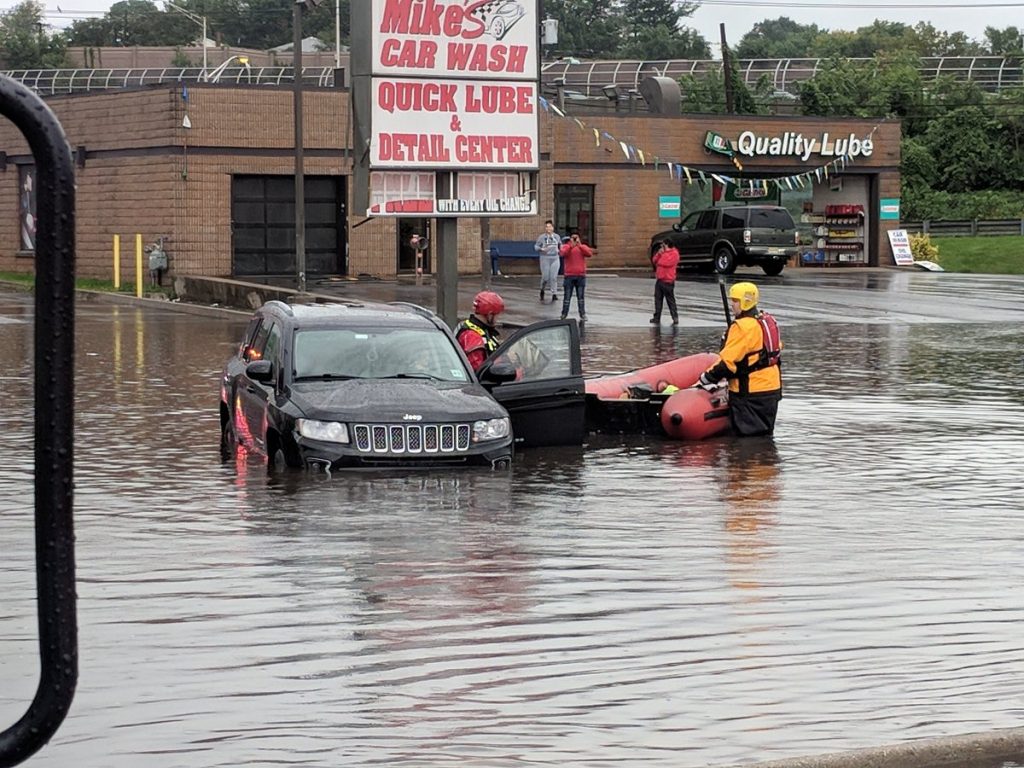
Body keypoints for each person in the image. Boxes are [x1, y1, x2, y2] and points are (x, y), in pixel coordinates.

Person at [697, 281, 782, 437]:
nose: (732, 305)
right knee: (764, 438)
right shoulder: (767, 321)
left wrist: (705, 379)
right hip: (771, 390)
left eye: (735, 301)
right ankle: (767, 461)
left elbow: (727, 364)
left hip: (749, 393)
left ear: (745, 302)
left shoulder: (741, 327)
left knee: (747, 441)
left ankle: (746, 461)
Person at [455, 291, 504, 372]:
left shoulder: (478, 329)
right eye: (497, 315)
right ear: (490, 315)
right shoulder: (473, 337)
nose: (498, 319)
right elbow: (479, 371)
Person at [558, 230, 593, 322]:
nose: (574, 239)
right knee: (567, 297)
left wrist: (579, 245)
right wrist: (570, 246)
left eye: (576, 237)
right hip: (569, 275)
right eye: (573, 237)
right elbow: (562, 253)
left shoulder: (582, 247)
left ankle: (582, 314)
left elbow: (589, 254)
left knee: (581, 297)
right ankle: (564, 314)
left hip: (580, 276)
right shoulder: (566, 246)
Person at [650, 240, 679, 325]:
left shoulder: (674, 253)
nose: (662, 247)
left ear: (667, 245)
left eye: (663, 245)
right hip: (660, 280)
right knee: (658, 300)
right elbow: (654, 261)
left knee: (670, 300)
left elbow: (666, 263)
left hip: (668, 281)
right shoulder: (661, 253)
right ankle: (657, 317)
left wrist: (661, 256)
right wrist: (659, 254)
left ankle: (675, 317)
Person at [534, 219, 562, 303]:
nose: (548, 228)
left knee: (553, 277)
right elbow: (536, 247)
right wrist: (541, 249)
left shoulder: (557, 237)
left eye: (550, 227)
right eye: (546, 227)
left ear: (553, 228)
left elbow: (560, 245)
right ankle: (542, 289)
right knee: (546, 277)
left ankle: (554, 293)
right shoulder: (542, 237)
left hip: (555, 258)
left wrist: (560, 250)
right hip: (545, 258)